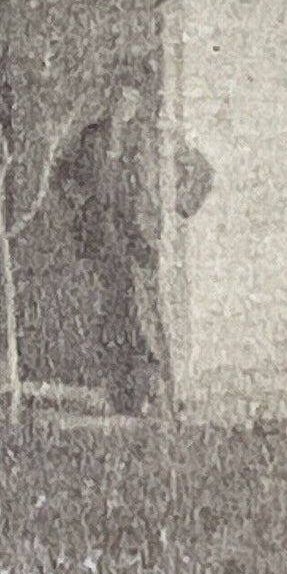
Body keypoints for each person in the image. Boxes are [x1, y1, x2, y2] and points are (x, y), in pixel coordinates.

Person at [55, 80, 163, 414]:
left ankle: (137, 389)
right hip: (99, 234)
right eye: (121, 101)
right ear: (113, 102)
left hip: (128, 234)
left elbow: (140, 192)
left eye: (133, 103)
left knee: (132, 310)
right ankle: (121, 389)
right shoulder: (92, 137)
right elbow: (63, 174)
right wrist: (81, 204)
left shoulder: (137, 143)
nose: (125, 109)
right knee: (114, 308)